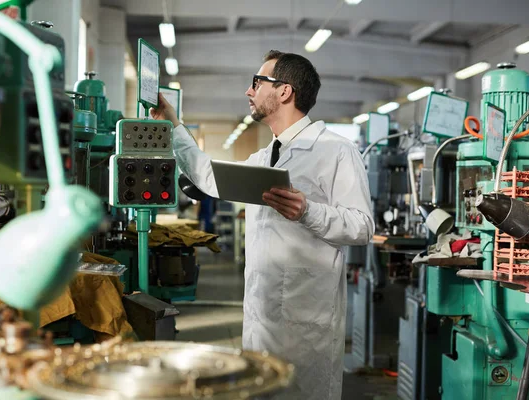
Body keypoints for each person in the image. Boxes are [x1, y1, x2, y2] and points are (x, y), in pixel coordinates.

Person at [150, 50, 374, 400]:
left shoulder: (336, 151)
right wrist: (174, 124)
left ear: (284, 91)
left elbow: (362, 227)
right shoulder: (263, 157)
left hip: (306, 321)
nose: (248, 91)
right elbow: (209, 177)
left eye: (257, 83)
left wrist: (308, 211)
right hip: (261, 315)